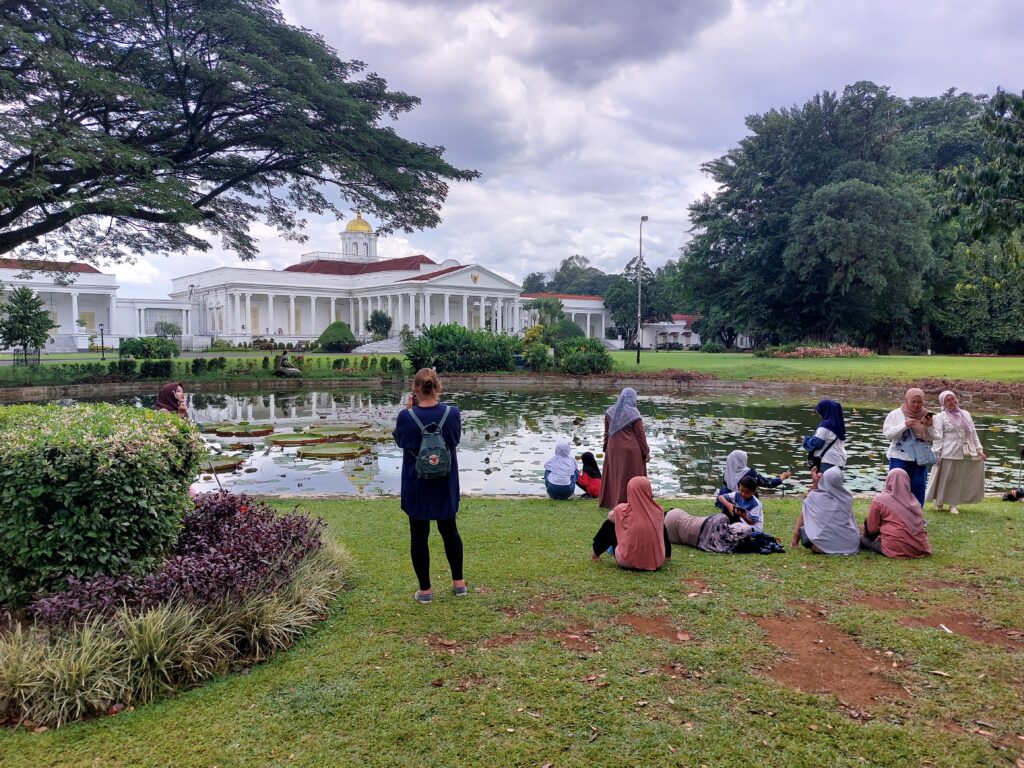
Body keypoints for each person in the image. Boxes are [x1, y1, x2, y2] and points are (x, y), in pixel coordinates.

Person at [392, 368, 466, 604]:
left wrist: (409, 411)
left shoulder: (407, 417)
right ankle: (459, 584)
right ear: (438, 387)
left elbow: (400, 440)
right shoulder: (452, 414)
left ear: (415, 389)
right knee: (450, 531)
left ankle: (425, 591)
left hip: (417, 485)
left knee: (419, 535)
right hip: (444, 483)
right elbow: (454, 439)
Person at [925, 391, 986, 515]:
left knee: (958, 479)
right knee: (944, 478)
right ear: (943, 403)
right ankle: (939, 502)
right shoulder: (940, 417)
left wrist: (979, 450)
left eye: (953, 399)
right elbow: (938, 437)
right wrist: (937, 454)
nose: (952, 402)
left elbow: (973, 434)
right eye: (948, 400)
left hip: (964, 452)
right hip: (947, 452)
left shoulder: (966, 414)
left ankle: (953, 504)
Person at [591, 476, 670, 570]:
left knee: (609, 524)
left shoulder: (623, 511)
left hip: (628, 561)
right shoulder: (658, 511)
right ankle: (667, 556)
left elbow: (610, 516)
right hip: (656, 562)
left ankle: (595, 554)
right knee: (659, 524)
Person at [882, 388, 937, 507]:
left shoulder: (927, 416)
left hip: (920, 458)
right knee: (897, 488)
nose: (917, 405)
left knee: (918, 487)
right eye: (913, 401)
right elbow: (888, 434)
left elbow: (936, 437)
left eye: (919, 402)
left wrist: (929, 427)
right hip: (899, 457)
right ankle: (895, 515)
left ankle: (916, 517)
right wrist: (904, 426)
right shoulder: (895, 414)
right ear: (907, 400)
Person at [862, 468, 932, 558]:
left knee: (860, 539)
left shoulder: (880, 499)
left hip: (895, 547)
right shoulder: (914, 501)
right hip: (919, 547)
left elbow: (871, 529)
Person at [598, 388, 650, 509]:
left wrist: (606, 448)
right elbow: (640, 435)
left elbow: (606, 433)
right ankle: (631, 502)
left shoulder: (610, 412)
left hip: (612, 448)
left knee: (615, 475)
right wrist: (646, 452)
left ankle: (610, 501)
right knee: (629, 476)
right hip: (630, 451)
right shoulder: (634, 414)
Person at [791, 466, 860, 555]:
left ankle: (795, 542)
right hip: (849, 546)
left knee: (804, 513)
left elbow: (806, 505)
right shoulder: (847, 498)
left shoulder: (814, 497)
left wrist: (815, 484)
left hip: (820, 546)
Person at [664, 508, 752, 553]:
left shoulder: (669, 536)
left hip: (700, 538)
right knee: (730, 534)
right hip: (708, 522)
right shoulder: (675, 512)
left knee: (729, 539)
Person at [802, 399, 847, 471]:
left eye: (820, 412)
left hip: (827, 461)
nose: (819, 415)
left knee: (823, 482)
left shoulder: (826, 424)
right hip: (839, 461)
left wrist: (805, 439)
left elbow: (816, 443)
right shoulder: (838, 425)